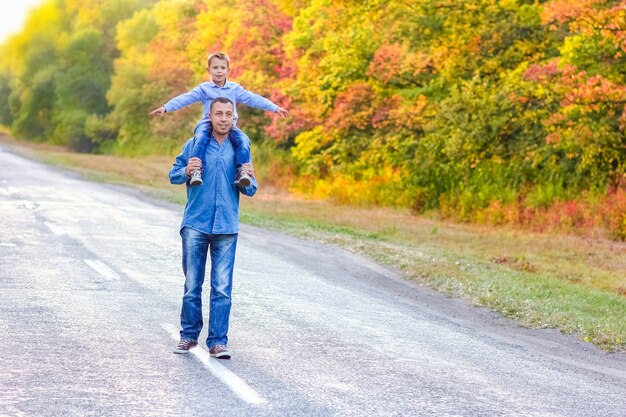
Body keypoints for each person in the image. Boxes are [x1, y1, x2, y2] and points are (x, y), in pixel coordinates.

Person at [169, 97, 257, 359]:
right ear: (210, 116)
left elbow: (251, 189)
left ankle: (218, 341)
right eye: (218, 113)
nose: (223, 118)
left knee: (222, 287)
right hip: (196, 223)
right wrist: (186, 170)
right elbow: (173, 174)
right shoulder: (195, 145)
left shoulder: (239, 147)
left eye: (228, 114)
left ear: (233, 118)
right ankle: (188, 336)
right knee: (192, 284)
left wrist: (248, 179)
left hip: (227, 226)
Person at [151, 51, 288, 188]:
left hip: (229, 124)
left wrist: (274, 108)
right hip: (207, 122)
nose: (219, 71)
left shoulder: (234, 89)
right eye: (215, 68)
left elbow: (253, 99)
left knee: (244, 140)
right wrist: (166, 107)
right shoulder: (204, 89)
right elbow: (185, 98)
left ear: (228, 70)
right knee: (200, 138)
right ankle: (197, 171)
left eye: (222, 68)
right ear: (208, 70)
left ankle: (243, 172)